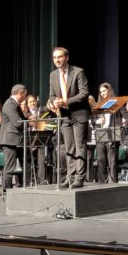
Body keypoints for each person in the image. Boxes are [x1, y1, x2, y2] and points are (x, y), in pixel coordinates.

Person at [47, 47, 90, 188]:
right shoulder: (53, 75)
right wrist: (54, 102)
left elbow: (84, 93)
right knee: (69, 147)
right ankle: (70, 177)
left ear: (67, 57)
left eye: (60, 57)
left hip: (79, 114)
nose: (57, 60)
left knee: (80, 146)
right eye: (55, 58)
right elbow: (52, 94)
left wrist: (65, 102)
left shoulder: (78, 72)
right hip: (64, 116)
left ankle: (79, 177)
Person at [0, 84, 28, 191]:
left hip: (17, 140)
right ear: (20, 93)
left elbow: (21, 119)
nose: (26, 96)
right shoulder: (10, 104)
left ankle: (25, 186)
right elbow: (17, 122)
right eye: (25, 94)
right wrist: (31, 124)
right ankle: (7, 190)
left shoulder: (14, 104)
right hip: (10, 140)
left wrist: (28, 119)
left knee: (26, 163)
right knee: (10, 167)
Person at [92, 82, 119, 184]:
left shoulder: (116, 103)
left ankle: (113, 184)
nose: (102, 93)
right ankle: (102, 183)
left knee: (112, 162)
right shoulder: (98, 105)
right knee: (100, 160)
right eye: (101, 92)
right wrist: (97, 121)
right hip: (101, 134)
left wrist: (120, 128)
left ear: (109, 90)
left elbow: (126, 118)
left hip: (112, 134)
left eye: (104, 91)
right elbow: (93, 120)